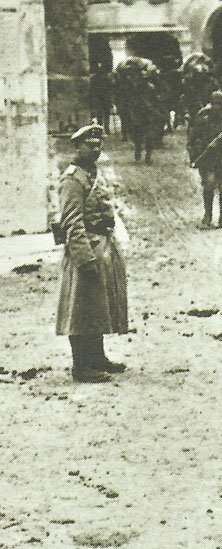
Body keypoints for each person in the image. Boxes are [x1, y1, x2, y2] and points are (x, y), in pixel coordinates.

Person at [56, 125, 128, 383]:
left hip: (102, 244)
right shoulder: (72, 179)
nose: (95, 150)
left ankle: (97, 357)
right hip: (85, 249)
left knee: (98, 305)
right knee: (81, 309)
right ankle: (81, 366)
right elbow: (72, 222)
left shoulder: (92, 173)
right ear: (78, 146)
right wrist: (84, 258)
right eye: (90, 145)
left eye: (98, 145)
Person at [188, 90, 222, 228]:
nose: (217, 107)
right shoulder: (203, 116)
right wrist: (196, 155)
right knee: (209, 185)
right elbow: (192, 139)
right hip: (207, 158)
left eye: (219, 104)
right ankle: (208, 215)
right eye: (214, 103)